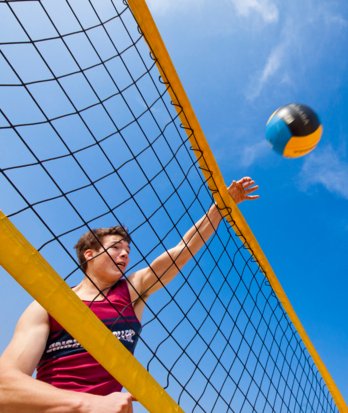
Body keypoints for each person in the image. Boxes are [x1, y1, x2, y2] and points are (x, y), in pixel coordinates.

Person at [0, 177, 259, 413]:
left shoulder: (132, 290)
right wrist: (89, 403)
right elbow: (5, 388)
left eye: (127, 249)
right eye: (115, 248)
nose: (125, 254)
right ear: (89, 255)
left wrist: (220, 207)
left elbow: (184, 250)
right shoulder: (48, 303)